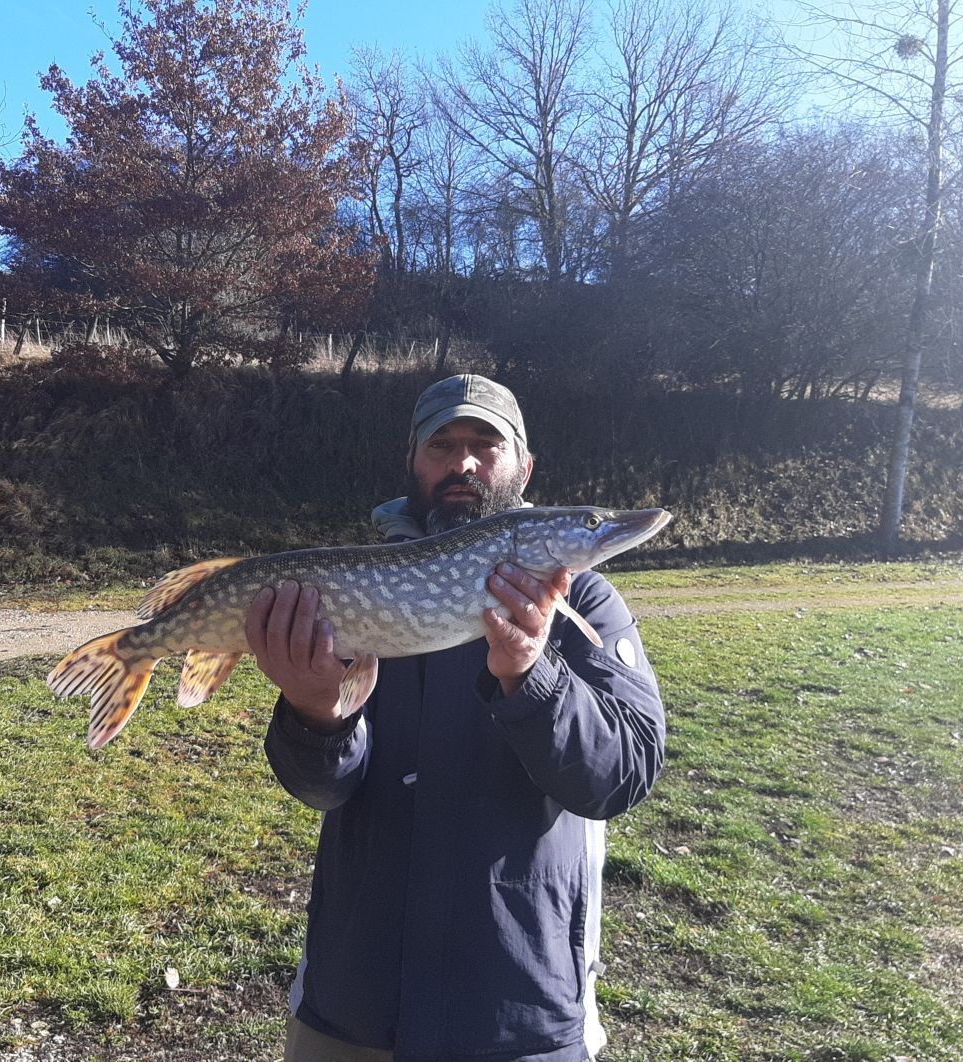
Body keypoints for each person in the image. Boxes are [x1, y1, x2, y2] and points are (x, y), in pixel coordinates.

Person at [244, 374, 667, 1062]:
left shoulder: (587, 607)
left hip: (517, 1013)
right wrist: (314, 712)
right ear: (414, 464)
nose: (462, 462)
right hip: (352, 1009)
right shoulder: (363, 595)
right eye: (441, 445)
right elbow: (323, 789)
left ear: (524, 469)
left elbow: (619, 778)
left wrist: (534, 677)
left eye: (485, 444)